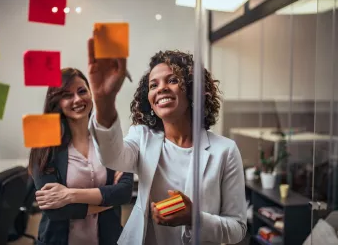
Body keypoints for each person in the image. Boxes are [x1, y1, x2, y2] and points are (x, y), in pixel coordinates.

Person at [87, 36, 247, 245]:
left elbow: (237, 229)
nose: (161, 88)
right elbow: (111, 157)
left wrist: (194, 219)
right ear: (150, 100)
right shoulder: (142, 137)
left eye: (172, 80)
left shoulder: (225, 150)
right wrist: (104, 100)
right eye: (153, 85)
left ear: (192, 89)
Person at [28, 68, 134, 245]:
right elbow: (55, 211)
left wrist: (69, 195)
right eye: (67, 95)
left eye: (82, 91)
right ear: (57, 102)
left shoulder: (108, 139)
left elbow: (124, 192)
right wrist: (109, 199)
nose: (77, 99)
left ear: (91, 93)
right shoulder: (44, 147)